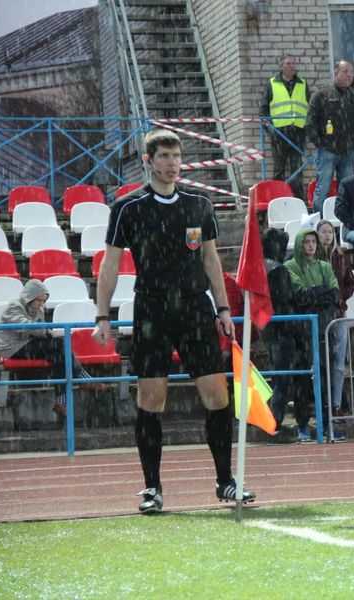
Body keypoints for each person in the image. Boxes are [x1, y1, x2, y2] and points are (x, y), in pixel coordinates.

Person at [92, 129, 254, 514]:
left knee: (218, 396)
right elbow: (110, 265)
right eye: (163, 156)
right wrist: (102, 315)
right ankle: (152, 488)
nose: (171, 163)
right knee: (151, 400)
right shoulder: (128, 208)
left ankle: (225, 482)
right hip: (151, 310)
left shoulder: (199, 204)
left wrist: (223, 308)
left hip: (196, 310)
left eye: (176, 156)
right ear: (148, 161)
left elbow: (211, 260)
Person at [0, 280, 104, 418]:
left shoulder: (38, 310)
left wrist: (46, 332)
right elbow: (25, 326)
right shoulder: (14, 306)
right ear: (29, 297)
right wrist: (47, 331)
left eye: (43, 301)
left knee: (59, 358)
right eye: (38, 300)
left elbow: (40, 329)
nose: (40, 304)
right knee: (59, 343)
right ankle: (84, 379)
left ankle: (60, 402)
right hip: (12, 348)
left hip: (30, 344)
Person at [285, 227, 341, 442]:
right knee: (302, 380)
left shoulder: (325, 266)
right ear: (300, 243)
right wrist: (320, 293)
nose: (310, 245)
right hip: (301, 333)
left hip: (323, 329)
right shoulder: (290, 267)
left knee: (325, 377)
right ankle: (303, 425)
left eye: (313, 241)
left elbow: (334, 293)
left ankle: (326, 424)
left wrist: (315, 295)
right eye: (306, 241)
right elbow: (299, 296)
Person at [306, 60, 354, 214]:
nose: (349, 76)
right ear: (336, 73)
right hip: (327, 151)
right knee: (323, 188)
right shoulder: (322, 95)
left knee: (346, 189)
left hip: (350, 151)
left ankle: (343, 219)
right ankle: (320, 220)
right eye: (345, 72)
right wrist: (320, 143)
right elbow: (310, 122)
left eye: (351, 72)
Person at [315, 219, 354, 418]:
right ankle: (321, 404)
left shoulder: (340, 256)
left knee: (339, 362)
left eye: (330, 231)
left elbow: (350, 283)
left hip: (339, 313)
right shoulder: (312, 255)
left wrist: (340, 298)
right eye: (323, 231)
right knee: (321, 362)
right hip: (320, 314)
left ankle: (336, 403)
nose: (327, 235)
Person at [260, 228, 299, 435]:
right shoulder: (278, 270)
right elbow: (284, 301)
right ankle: (274, 421)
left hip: (267, 328)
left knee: (278, 376)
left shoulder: (261, 267)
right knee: (282, 378)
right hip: (282, 331)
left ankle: (272, 419)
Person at [260, 55, 309, 200]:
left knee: (297, 167)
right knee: (279, 167)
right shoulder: (272, 83)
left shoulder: (302, 84)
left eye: (293, 63)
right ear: (281, 66)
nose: (291, 66)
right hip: (279, 133)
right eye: (288, 63)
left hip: (298, 131)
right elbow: (263, 110)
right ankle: (278, 198)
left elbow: (310, 107)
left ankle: (298, 199)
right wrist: (270, 130)